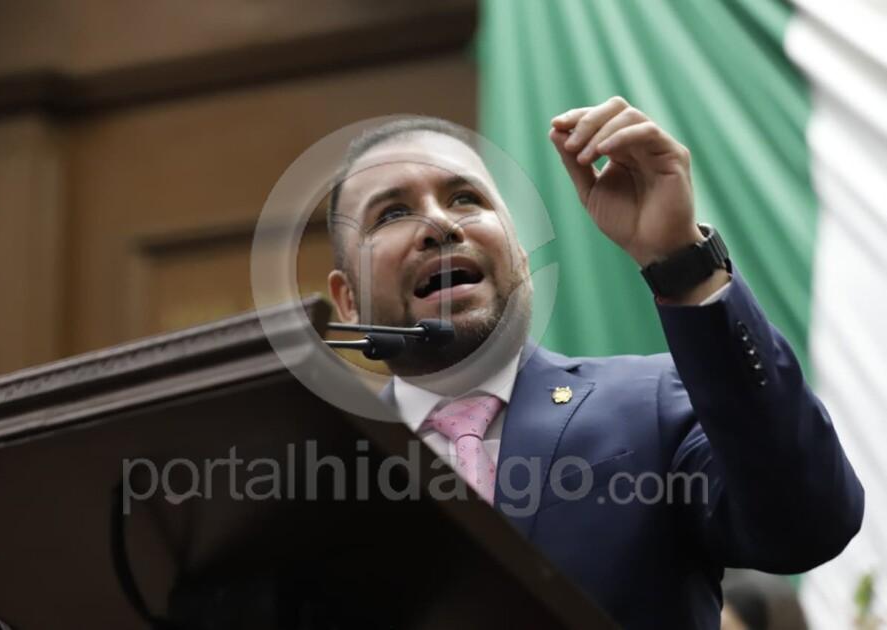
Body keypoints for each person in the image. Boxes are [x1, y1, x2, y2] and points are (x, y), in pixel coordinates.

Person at [325, 97, 864, 629]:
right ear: (347, 300)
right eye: (392, 214)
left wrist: (682, 261)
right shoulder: (317, 476)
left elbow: (807, 522)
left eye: (466, 198)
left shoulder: (653, 404)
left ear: (520, 254)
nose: (440, 224)